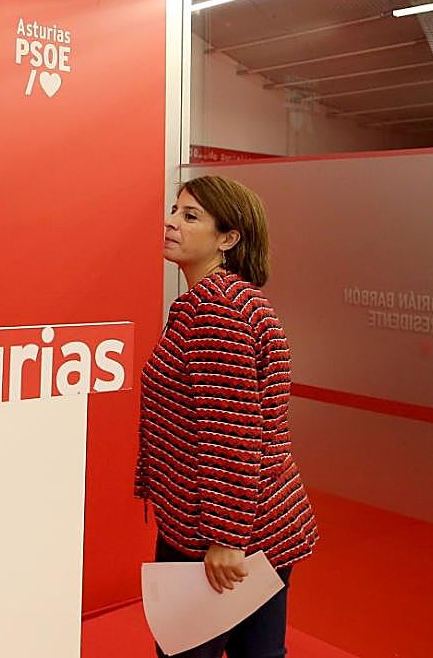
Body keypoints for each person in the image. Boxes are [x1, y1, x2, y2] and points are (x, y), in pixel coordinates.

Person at [135, 175, 317, 658]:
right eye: (174, 210)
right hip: (253, 527)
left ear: (228, 238)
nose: (171, 223)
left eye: (190, 216)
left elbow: (232, 436)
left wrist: (226, 538)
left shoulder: (218, 314)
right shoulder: (218, 302)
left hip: (224, 535)